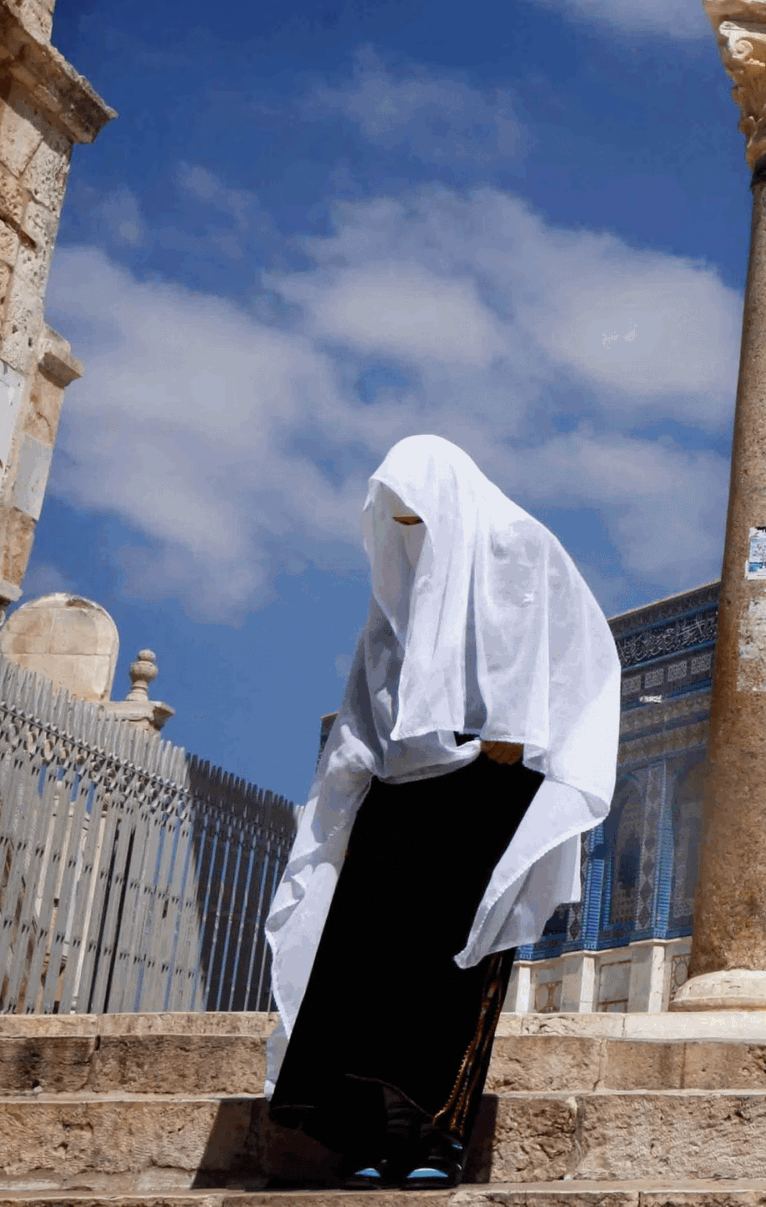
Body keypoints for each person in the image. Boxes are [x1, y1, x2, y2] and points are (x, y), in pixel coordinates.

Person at [263, 436, 619, 1186]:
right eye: (394, 521)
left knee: (449, 973)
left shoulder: (522, 549)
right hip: (398, 796)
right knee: (365, 969)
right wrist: (350, 779)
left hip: (485, 797)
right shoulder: (402, 585)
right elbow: (371, 691)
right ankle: (375, 1133)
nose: (408, 536)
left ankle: (435, 1137)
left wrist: (520, 729)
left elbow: (576, 649)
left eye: (418, 517)